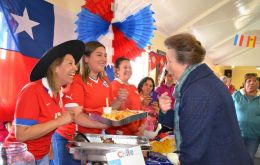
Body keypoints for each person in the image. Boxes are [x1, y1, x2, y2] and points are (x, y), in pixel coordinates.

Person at [158, 33, 252, 165]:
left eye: (169, 61)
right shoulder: (201, 81)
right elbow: (187, 122)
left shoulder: (198, 91)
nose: (167, 67)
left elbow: (192, 153)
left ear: (184, 62)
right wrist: (165, 110)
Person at [5, 40, 85, 164]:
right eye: (70, 63)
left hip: (42, 155)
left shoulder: (58, 93)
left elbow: (46, 124)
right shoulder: (32, 91)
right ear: (56, 68)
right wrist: (61, 120)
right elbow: (21, 134)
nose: (76, 67)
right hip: (19, 157)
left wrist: (49, 144)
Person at [52, 41, 113, 165]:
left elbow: (108, 108)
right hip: (69, 138)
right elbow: (76, 115)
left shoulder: (105, 80)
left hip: (90, 138)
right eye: (99, 55)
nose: (104, 59)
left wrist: (118, 102)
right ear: (86, 58)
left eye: (105, 55)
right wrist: (102, 125)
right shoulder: (75, 81)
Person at [106, 57, 143, 135]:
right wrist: (135, 130)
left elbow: (140, 108)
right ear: (117, 70)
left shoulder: (133, 87)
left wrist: (142, 126)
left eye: (130, 67)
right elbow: (120, 112)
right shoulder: (114, 86)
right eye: (125, 67)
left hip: (136, 132)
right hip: (121, 134)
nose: (128, 70)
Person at [232, 73, 260, 161]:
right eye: (249, 81)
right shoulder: (236, 95)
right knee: (235, 157)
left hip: (254, 136)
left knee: (249, 158)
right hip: (237, 134)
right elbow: (228, 111)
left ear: (258, 83)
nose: (252, 83)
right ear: (244, 84)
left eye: (254, 81)